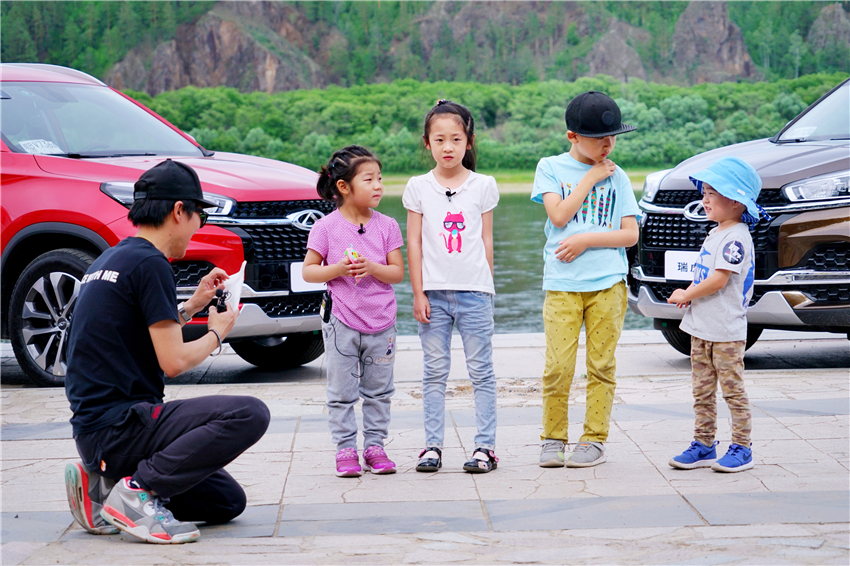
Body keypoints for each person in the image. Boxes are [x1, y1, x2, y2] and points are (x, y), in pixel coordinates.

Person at [63, 159, 270, 545]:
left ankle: (103, 485)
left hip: (97, 433)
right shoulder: (151, 264)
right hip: (122, 427)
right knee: (248, 413)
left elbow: (131, 330)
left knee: (226, 502)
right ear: (179, 211)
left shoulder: (115, 257)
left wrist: (192, 306)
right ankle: (137, 491)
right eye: (199, 218)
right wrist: (217, 333)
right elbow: (173, 362)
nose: (197, 228)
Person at [531, 91, 639, 469]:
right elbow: (558, 217)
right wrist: (590, 178)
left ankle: (594, 438)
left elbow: (629, 235)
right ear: (573, 136)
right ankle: (553, 438)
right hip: (562, 285)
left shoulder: (619, 175)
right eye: (598, 138)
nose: (608, 145)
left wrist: (587, 239)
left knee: (602, 365)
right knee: (558, 366)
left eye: (612, 138)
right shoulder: (550, 168)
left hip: (609, 283)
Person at [403, 99, 500, 474]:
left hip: (475, 292)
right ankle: (432, 447)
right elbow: (413, 242)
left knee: (482, 371)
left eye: (455, 139)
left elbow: (487, 240)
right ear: (427, 143)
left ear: (469, 142)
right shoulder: (417, 187)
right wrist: (418, 291)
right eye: (439, 139)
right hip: (434, 295)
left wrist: (486, 286)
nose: (448, 147)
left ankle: (485, 447)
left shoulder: (484, 185)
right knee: (434, 371)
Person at [302, 146, 405, 477]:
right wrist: (339, 270)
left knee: (379, 391)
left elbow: (397, 274)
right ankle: (345, 450)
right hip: (341, 322)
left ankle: (375, 447)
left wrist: (372, 266)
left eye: (380, 179)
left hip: (382, 322)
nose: (378, 186)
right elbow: (309, 272)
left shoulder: (387, 225)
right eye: (369, 179)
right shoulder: (326, 227)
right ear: (343, 187)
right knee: (341, 391)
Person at [667, 156, 770, 473]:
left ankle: (741, 447)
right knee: (702, 391)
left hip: (725, 332)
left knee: (733, 391)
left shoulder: (736, 237)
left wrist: (687, 294)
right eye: (705, 191)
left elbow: (718, 280)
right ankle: (704, 444)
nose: (705, 198)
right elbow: (703, 275)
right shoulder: (717, 232)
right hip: (702, 329)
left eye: (714, 192)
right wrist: (689, 290)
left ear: (738, 202)